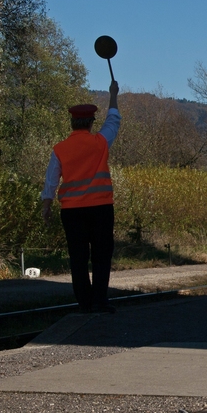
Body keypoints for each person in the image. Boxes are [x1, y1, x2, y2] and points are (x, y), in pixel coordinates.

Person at [42, 80, 121, 313]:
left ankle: (84, 303)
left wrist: (46, 205)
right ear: (90, 123)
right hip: (100, 208)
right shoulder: (100, 142)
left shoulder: (60, 149)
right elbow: (114, 121)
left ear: (72, 122)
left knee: (78, 257)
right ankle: (99, 300)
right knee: (101, 255)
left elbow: (51, 180)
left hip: (72, 211)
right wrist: (113, 95)